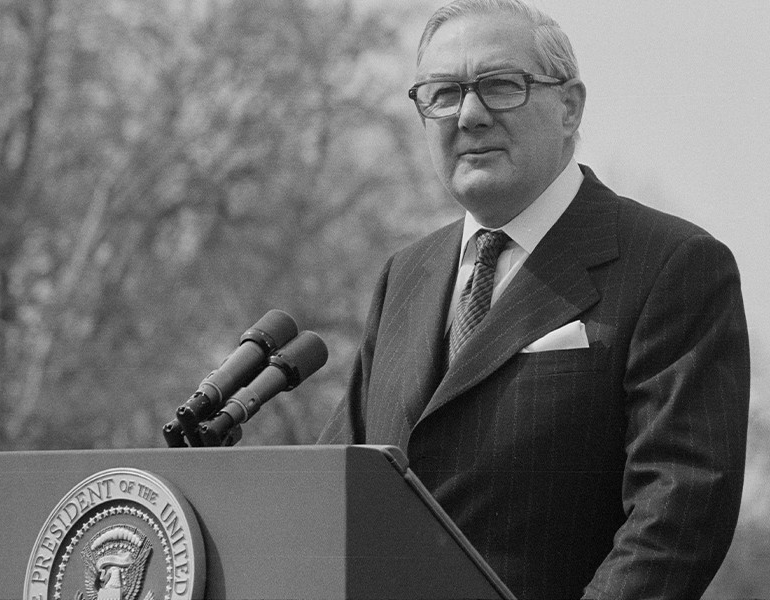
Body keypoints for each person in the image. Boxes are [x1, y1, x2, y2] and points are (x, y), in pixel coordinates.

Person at [318, 0, 750, 598]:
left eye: (500, 86)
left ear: (569, 106)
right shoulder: (405, 276)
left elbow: (679, 510)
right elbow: (333, 489)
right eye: (442, 93)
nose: (469, 115)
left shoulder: (672, 264)